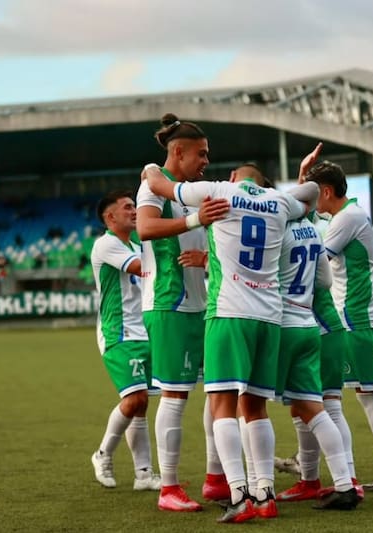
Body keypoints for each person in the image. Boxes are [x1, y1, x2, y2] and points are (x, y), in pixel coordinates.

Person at [143, 160, 319, 523]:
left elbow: (159, 184)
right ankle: (265, 494)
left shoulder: (220, 191)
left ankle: (239, 494)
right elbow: (312, 194)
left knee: (222, 404)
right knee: (256, 409)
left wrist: (150, 164)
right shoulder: (280, 203)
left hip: (228, 312)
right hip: (269, 317)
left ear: (236, 178)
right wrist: (283, 191)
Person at [231, 164, 360, 511]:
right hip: (309, 325)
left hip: (281, 326)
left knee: (249, 406)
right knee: (316, 410)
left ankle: (262, 492)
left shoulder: (275, 228)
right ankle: (346, 484)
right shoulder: (312, 230)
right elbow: (325, 283)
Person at [135, 114, 230, 512]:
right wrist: (194, 219)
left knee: (218, 391)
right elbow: (144, 228)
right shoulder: (151, 185)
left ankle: (214, 478)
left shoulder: (188, 191)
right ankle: (168, 488)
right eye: (201, 154)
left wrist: (206, 254)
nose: (207, 160)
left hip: (201, 303)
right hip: (169, 303)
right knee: (175, 396)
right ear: (178, 151)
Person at [304, 159, 373, 492]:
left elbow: (314, 258)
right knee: (349, 395)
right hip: (355, 317)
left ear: (326, 191)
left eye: (313, 193)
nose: (311, 201)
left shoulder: (346, 218)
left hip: (354, 318)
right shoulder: (350, 215)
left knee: (361, 395)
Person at [89, 190, 162, 492]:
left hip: (143, 331)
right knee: (134, 399)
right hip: (118, 333)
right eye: (127, 207)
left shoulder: (134, 243)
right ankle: (102, 454)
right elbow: (140, 268)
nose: (134, 211)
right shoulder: (106, 244)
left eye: (135, 206)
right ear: (110, 217)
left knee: (141, 404)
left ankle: (143, 474)